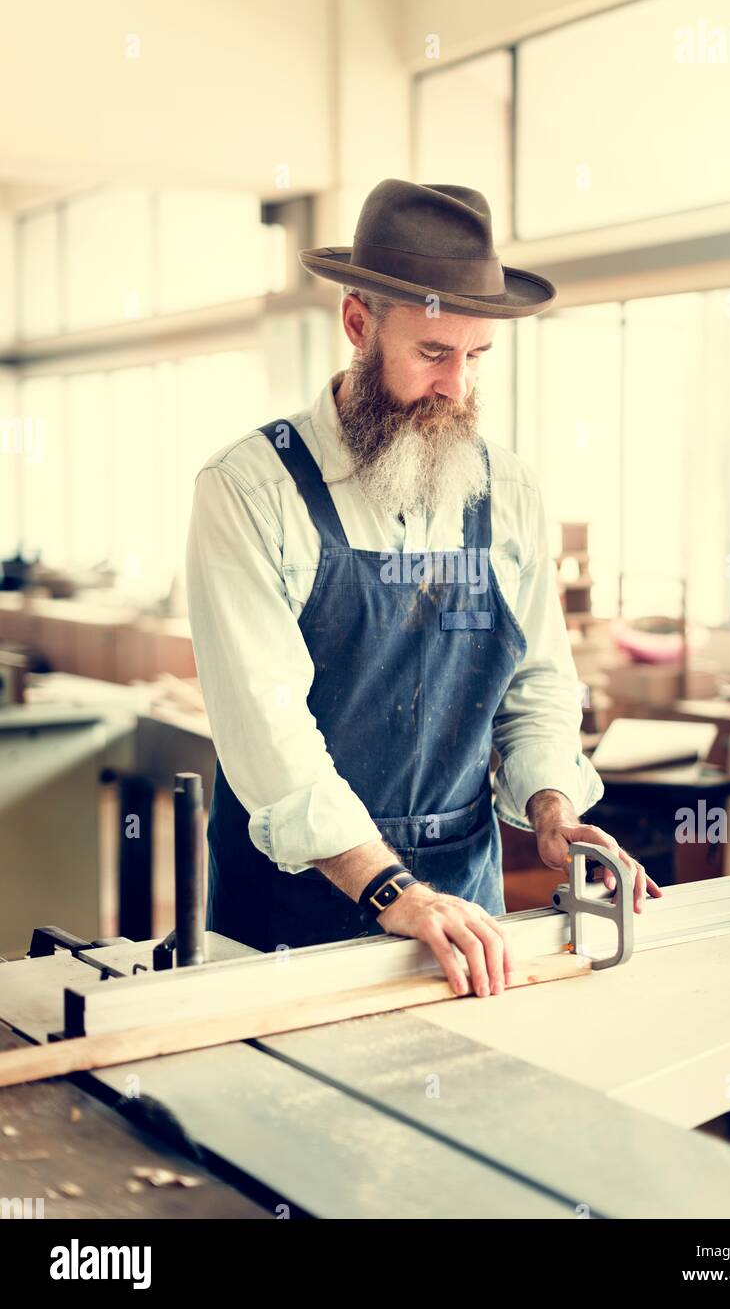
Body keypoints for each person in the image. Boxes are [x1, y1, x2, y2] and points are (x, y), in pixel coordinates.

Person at [186, 178, 660, 998]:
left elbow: (538, 682)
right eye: (434, 354)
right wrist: (389, 889)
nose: (456, 388)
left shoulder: (505, 489)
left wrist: (550, 804)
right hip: (295, 902)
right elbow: (268, 732)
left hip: (458, 903)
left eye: (475, 357)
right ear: (358, 324)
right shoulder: (248, 489)